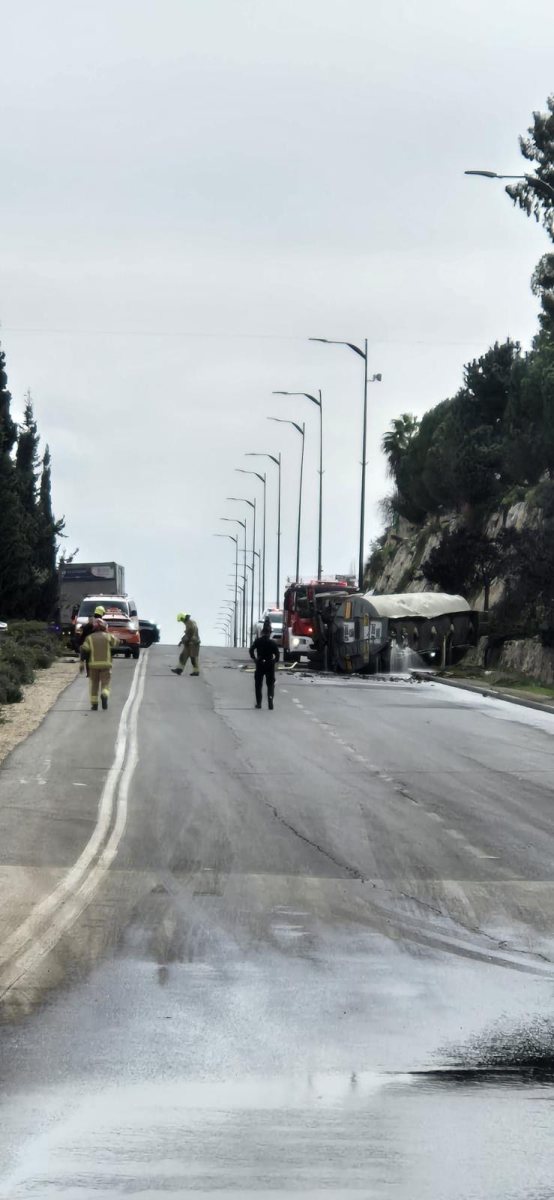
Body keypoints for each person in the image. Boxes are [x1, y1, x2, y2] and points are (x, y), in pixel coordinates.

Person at [80, 616, 119, 711]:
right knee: (105, 684)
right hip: (106, 665)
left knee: (94, 685)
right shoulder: (108, 636)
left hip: (93, 665)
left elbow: (84, 650)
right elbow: (116, 642)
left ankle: (94, 704)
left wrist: (81, 662)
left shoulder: (89, 638)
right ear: (104, 627)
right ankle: (104, 694)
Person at [249, 617, 280, 709]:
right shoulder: (273, 643)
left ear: (262, 632)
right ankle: (270, 700)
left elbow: (251, 650)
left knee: (258, 685)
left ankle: (259, 703)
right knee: (270, 685)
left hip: (260, 664)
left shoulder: (258, 641)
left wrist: (254, 658)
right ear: (270, 633)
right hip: (269, 665)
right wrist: (273, 662)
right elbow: (277, 656)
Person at [171, 612, 201, 677]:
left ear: (183, 618)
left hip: (194, 643)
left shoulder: (189, 623)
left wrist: (183, 640)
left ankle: (196, 671)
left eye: (181, 620)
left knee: (193, 658)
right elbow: (188, 633)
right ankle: (179, 669)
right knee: (183, 656)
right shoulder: (190, 622)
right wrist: (182, 641)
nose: (182, 622)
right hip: (189, 643)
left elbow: (189, 633)